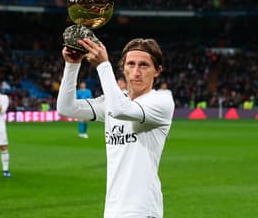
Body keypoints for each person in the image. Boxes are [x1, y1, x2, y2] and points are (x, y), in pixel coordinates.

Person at [57, 38, 175, 218]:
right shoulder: (112, 102)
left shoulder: (162, 101)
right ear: (124, 68)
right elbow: (66, 108)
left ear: (157, 71)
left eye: (144, 65)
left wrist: (103, 65)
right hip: (113, 210)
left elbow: (121, 110)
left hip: (142, 211)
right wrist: (72, 65)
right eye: (131, 64)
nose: (136, 72)